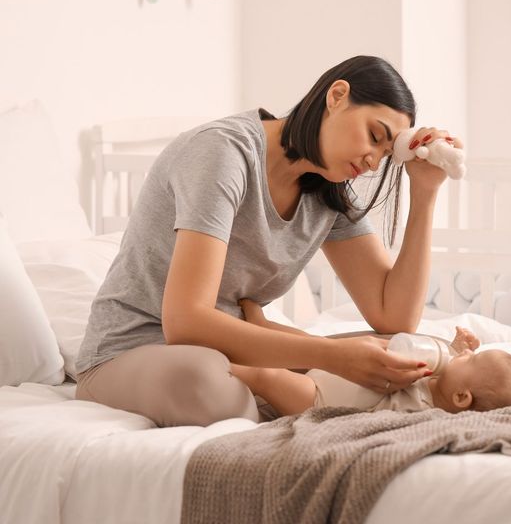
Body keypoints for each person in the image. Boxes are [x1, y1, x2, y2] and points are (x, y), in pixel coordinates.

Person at [75, 55, 463, 427]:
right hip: (137, 350)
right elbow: (185, 322)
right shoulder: (223, 153)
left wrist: (425, 193)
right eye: (373, 136)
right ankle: (294, 394)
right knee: (212, 388)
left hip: (232, 353)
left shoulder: (329, 191)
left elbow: (393, 317)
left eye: (384, 153)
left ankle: (293, 393)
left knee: (411, 354)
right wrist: (332, 357)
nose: (373, 162)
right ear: (337, 96)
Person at [232, 299, 511, 415]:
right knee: (313, 343)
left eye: (470, 360)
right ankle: (264, 327)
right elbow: (432, 359)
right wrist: (457, 348)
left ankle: (225, 361)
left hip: (319, 399)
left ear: (460, 398)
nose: (466, 355)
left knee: (266, 376)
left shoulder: (428, 413)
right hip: (335, 366)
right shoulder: (438, 378)